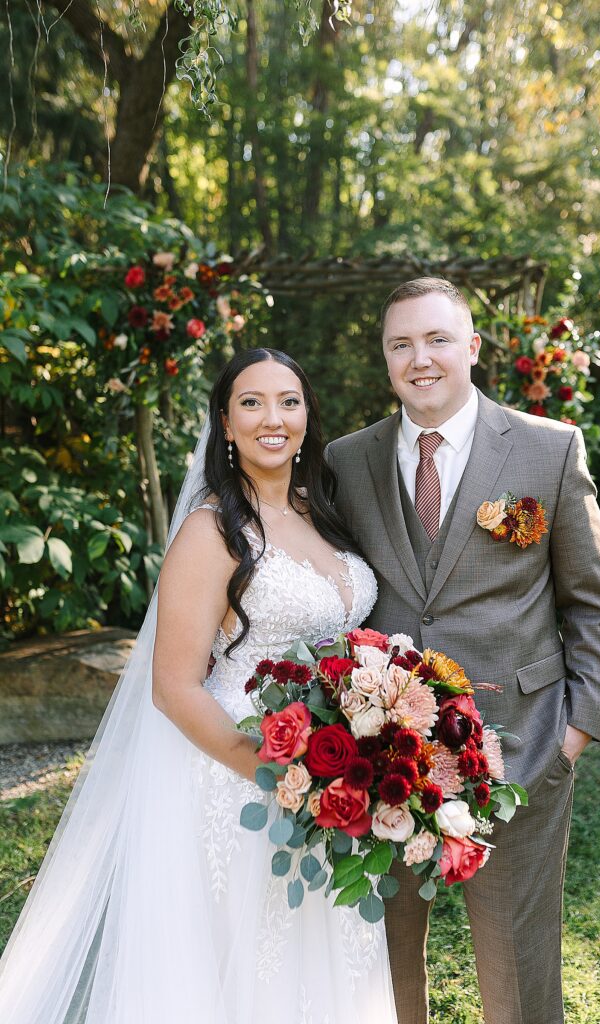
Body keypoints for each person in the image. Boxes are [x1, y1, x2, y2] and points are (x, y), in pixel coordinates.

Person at [0, 348, 398, 1024]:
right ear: (225, 421)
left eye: (289, 401)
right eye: (252, 402)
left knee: (322, 950)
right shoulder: (211, 529)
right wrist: (281, 776)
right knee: (247, 964)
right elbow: (174, 687)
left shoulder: (321, 511)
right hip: (241, 770)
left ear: (307, 416)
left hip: (336, 770)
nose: (273, 418)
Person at [327, 278, 600, 1024]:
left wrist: (572, 737)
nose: (418, 359)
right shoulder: (344, 460)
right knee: (377, 968)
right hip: (379, 765)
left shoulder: (546, 449)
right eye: (400, 344)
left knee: (517, 976)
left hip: (520, 751)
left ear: (471, 347)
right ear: (385, 358)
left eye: (435, 340)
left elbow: (593, 605)